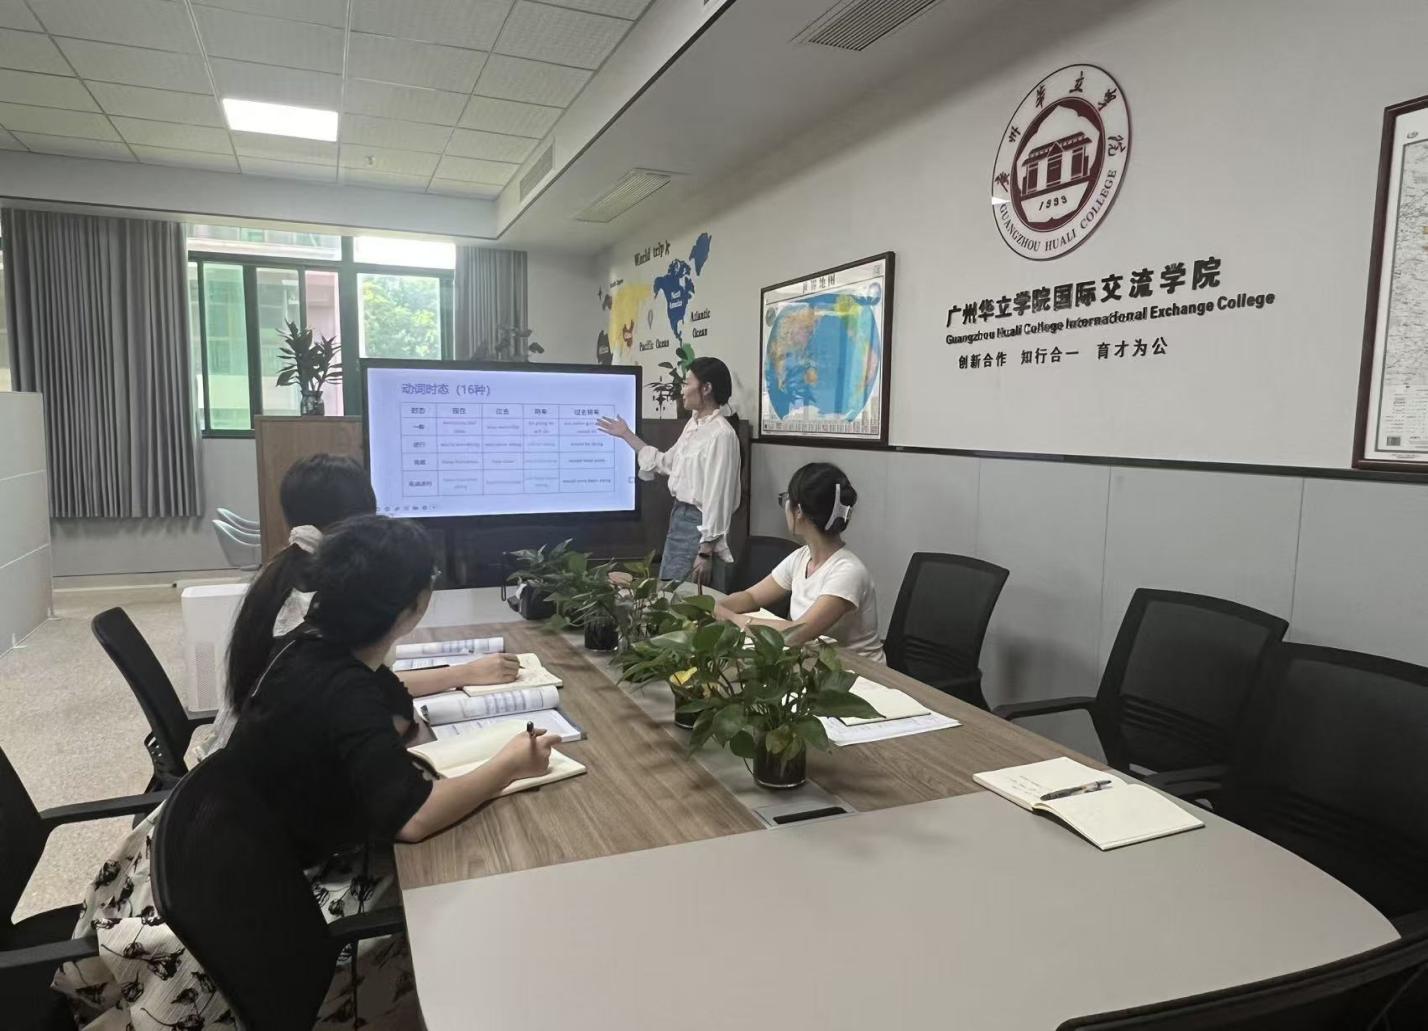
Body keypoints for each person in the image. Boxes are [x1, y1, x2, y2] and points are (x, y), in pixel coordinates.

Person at [56, 516, 559, 1029]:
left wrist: (450, 681)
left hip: (249, 862)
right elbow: (413, 818)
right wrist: (509, 765)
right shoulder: (344, 688)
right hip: (299, 902)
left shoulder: (307, 644)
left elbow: (389, 704)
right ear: (414, 607)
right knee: (475, 884)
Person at [210, 454, 519, 752]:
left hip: (248, 753)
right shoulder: (321, 598)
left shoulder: (282, 570)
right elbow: (354, 685)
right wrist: (463, 674)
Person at [715, 463, 885, 662]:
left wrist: (733, 619)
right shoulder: (801, 557)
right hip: (815, 662)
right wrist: (717, 606)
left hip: (860, 672)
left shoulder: (848, 572)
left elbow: (796, 633)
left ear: (798, 511)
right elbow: (751, 596)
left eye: (785, 500)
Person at [597, 356, 741, 585]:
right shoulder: (693, 425)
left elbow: (718, 497)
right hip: (680, 518)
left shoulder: (721, 434)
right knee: (671, 590)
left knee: (688, 595)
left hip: (700, 526)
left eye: (687, 383)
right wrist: (627, 434)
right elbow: (665, 462)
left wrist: (705, 550)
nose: (682, 391)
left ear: (706, 388)